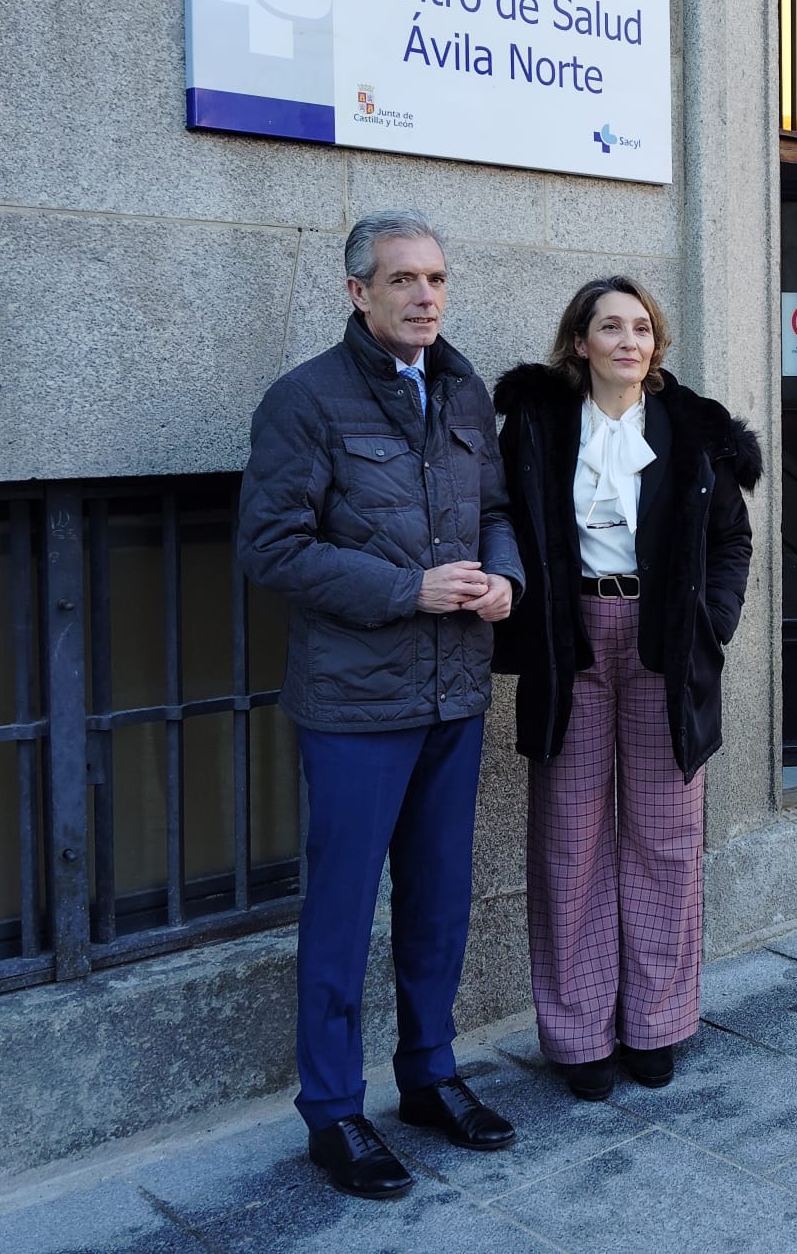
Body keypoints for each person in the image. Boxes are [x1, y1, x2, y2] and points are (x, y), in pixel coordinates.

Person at [238, 209, 524, 1200]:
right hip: (357, 708)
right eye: (402, 279)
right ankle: (333, 1112)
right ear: (357, 291)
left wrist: (506, 583)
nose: (425, 296)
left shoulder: (461, 387)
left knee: (440, 903)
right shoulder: (306, 401)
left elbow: (493, 512)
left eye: (437, 278)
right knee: (344, 912)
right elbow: (271, 549)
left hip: (455, 693)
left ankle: (430, 1077)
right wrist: (406, 589)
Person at [493, 276, 758, 1100]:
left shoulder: (693, 430)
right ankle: (576, 1035)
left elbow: (732, 544)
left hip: (663, 645)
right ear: (580, 343)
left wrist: (711, 622)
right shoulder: (536, 427)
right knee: (570, 840)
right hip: (571, 640)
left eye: (642, 328)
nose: (629, 342)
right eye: (610, 327)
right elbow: (499, 516)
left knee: (666, 839)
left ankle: (657, 1022)